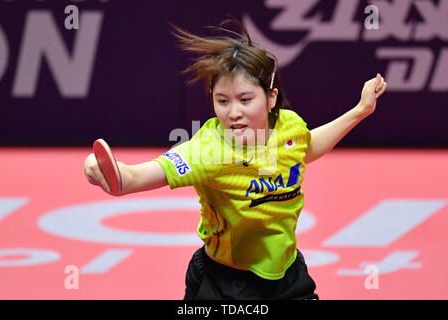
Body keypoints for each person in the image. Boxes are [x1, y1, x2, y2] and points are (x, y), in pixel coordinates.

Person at [84, 19, 387, 300]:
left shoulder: (289, 125)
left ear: (270, 98)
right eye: (222, 101)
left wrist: (360, 110)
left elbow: (305, 148)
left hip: (288, 275)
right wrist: (110, 174)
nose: (233, 112)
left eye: (245, 99)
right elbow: (140, 176)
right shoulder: (209, 150)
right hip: (224, 284)